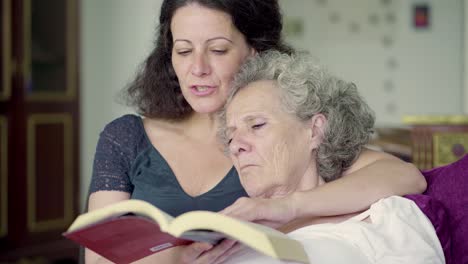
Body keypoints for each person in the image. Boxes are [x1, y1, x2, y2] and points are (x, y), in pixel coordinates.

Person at [86, 0, 426, 263]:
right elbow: (98, 257)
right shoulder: (125, 137)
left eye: (217, 50)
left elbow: (404, 177)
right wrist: (174, 259)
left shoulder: (283, 134)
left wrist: (291, 207)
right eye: (184, 50)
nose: (198, 68)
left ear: (254, 51)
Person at [217, 50, 445, 263]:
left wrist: (287, 207)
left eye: (256, 125)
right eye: (230, 138)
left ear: (315, 130)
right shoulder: (230, 243)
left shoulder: (383, 217)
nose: (236, 145)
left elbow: (405, 175)